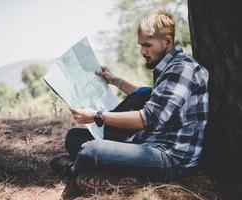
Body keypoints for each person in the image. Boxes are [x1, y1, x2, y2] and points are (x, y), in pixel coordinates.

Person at [48, 9, 209, 193]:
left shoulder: (182, 69)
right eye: (141, 45)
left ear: (167, 42)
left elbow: (148, 118)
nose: (142, 51)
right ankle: (111, 171)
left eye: (147, 45)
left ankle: (74, 171)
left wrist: (97, 116)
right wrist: (115, 81)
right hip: (149, 141)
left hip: (170, 158)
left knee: (91, 150)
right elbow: (149, 96)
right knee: (75, 137)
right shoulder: (170, 66)